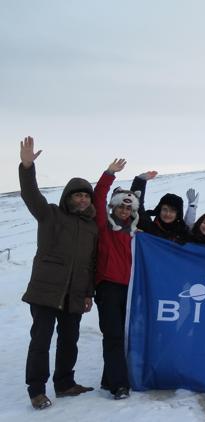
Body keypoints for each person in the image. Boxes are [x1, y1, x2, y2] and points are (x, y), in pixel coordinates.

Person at [18, 137, 97, 410]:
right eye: (78, 194)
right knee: (40, 340)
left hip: (75, 293)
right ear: (68, 197)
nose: (83, 199)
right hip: (46, 290)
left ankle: (65, 383)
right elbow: (30, 195)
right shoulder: (50, 215)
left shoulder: (92, 228)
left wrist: (88, 293)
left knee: (69, 340)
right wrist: (27, 166)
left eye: (87, 195)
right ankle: (37, 390)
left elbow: (90, 263)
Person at [92, 158, 147, 401]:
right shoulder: (104, 226)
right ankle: (119, 385)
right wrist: (108, 174)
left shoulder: (136, 234)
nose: (124, 211)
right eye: (121, 207)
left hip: (130, 290)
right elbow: (98, 197)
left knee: (124, 336)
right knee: (113, 335)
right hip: (108, 288)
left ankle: (110, 378)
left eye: (129, 209)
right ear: (114, 208)